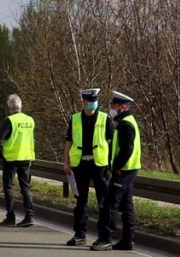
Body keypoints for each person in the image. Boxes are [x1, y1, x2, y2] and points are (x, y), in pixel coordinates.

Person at [91, 91, 141, 251]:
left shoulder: (126, 124)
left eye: (114, 105)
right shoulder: (127, 121)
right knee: (126, 205)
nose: (111, 108)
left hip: (124, 170)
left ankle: (105, 238)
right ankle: (127, 240)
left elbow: (127, 149)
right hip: (129, 169)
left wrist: (117, 166)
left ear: (123, 106)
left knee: (110, 203)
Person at [63, 88, 113, 246]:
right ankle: (80, 235)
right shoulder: (75, 118)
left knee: (103, 202)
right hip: (80, 164)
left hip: (100, 165)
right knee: (80, 201)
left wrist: (110, 166)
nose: (93, 104)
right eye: (90, 101)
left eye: (95, 101)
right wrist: (66, 162)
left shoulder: (105, 119)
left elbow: (112, 144)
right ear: (83, 102)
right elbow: (68, 141)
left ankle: (104, 237)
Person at [0, 94, 36, 227]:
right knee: (25, 187)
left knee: (8, 187)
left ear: (10, 108)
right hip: (26, 157)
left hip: (11, 157)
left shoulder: (9, 120)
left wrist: (0, 155)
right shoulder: (30, 120)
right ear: (21, 106)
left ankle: (10, 217)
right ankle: (29, 216)